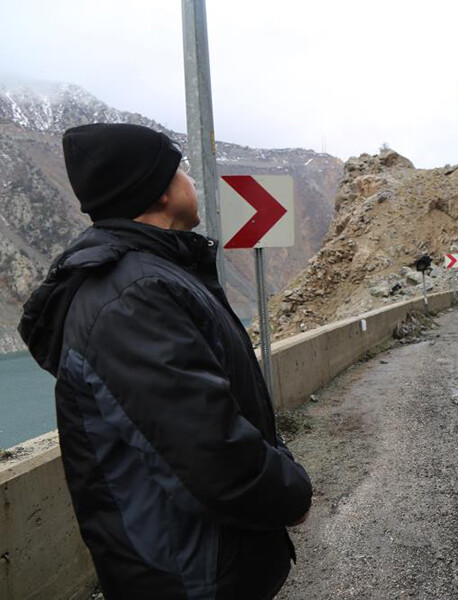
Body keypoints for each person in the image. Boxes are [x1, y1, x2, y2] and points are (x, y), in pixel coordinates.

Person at [18, 123, 312, 600]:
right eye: (181, 171)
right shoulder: (134, 296)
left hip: (197, 560)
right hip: (188, 573)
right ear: (158, 192)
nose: (191, 182)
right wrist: (291, 493)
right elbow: (207, 449)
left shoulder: (151, 278)